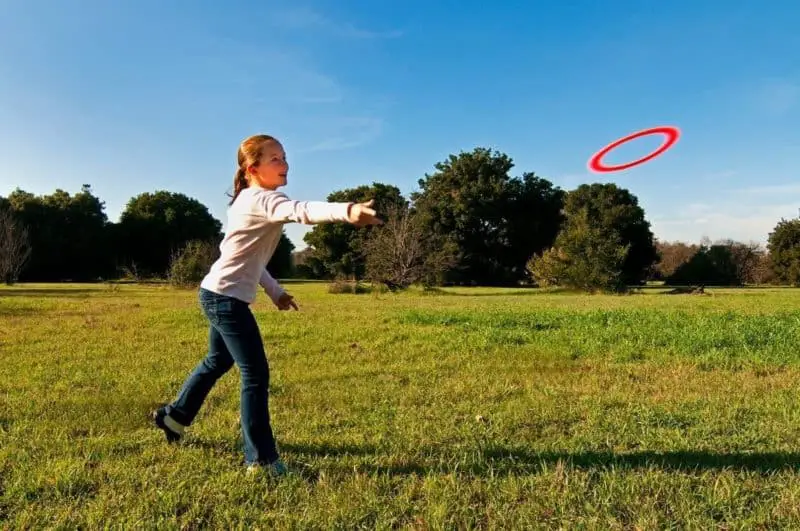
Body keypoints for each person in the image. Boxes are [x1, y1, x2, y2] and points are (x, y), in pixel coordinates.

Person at [152, 134, 381, 476]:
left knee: (217, 360)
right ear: (252, 168)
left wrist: (276, 292)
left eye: (285, 157)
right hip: (225, 299)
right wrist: (346, 211)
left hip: (218, 293)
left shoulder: (252, 201)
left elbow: (251, 260)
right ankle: (260, 460)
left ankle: (174, 417)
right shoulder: (260, 199)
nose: (285, 164)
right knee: (255, 374)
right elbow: (300, 210)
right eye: (276, 159)